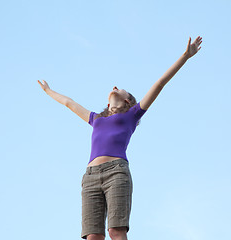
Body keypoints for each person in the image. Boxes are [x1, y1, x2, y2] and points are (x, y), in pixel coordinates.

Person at [37, 36, 202, 240]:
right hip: (90, 177)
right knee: (93, 236)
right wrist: (48, 90)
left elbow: (160, 83)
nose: (115, 85)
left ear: (127, 100)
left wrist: (185, 56)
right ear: (107, 104)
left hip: (116, 173)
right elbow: (69, 103)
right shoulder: (95, 119)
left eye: (121, 88)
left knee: (116, 231)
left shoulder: (131, 115)